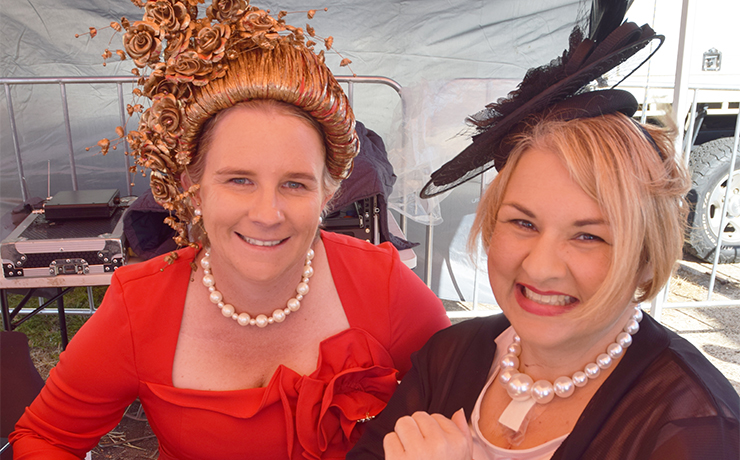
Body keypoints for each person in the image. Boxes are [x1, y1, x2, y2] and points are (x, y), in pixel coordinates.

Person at [9, 3, 449, 459]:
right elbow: (46, 437)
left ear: (327, 195)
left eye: (295, 184)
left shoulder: (384, 287)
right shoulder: (139, 306)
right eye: (239, 180)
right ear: (193, 188)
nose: (267, 213)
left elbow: (469, 411)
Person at [347, 14, 740, 460]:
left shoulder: (695, 429)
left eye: (588, 236)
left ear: (647, 259)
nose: (540, 266)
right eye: (524, 223)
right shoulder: (448, 356)